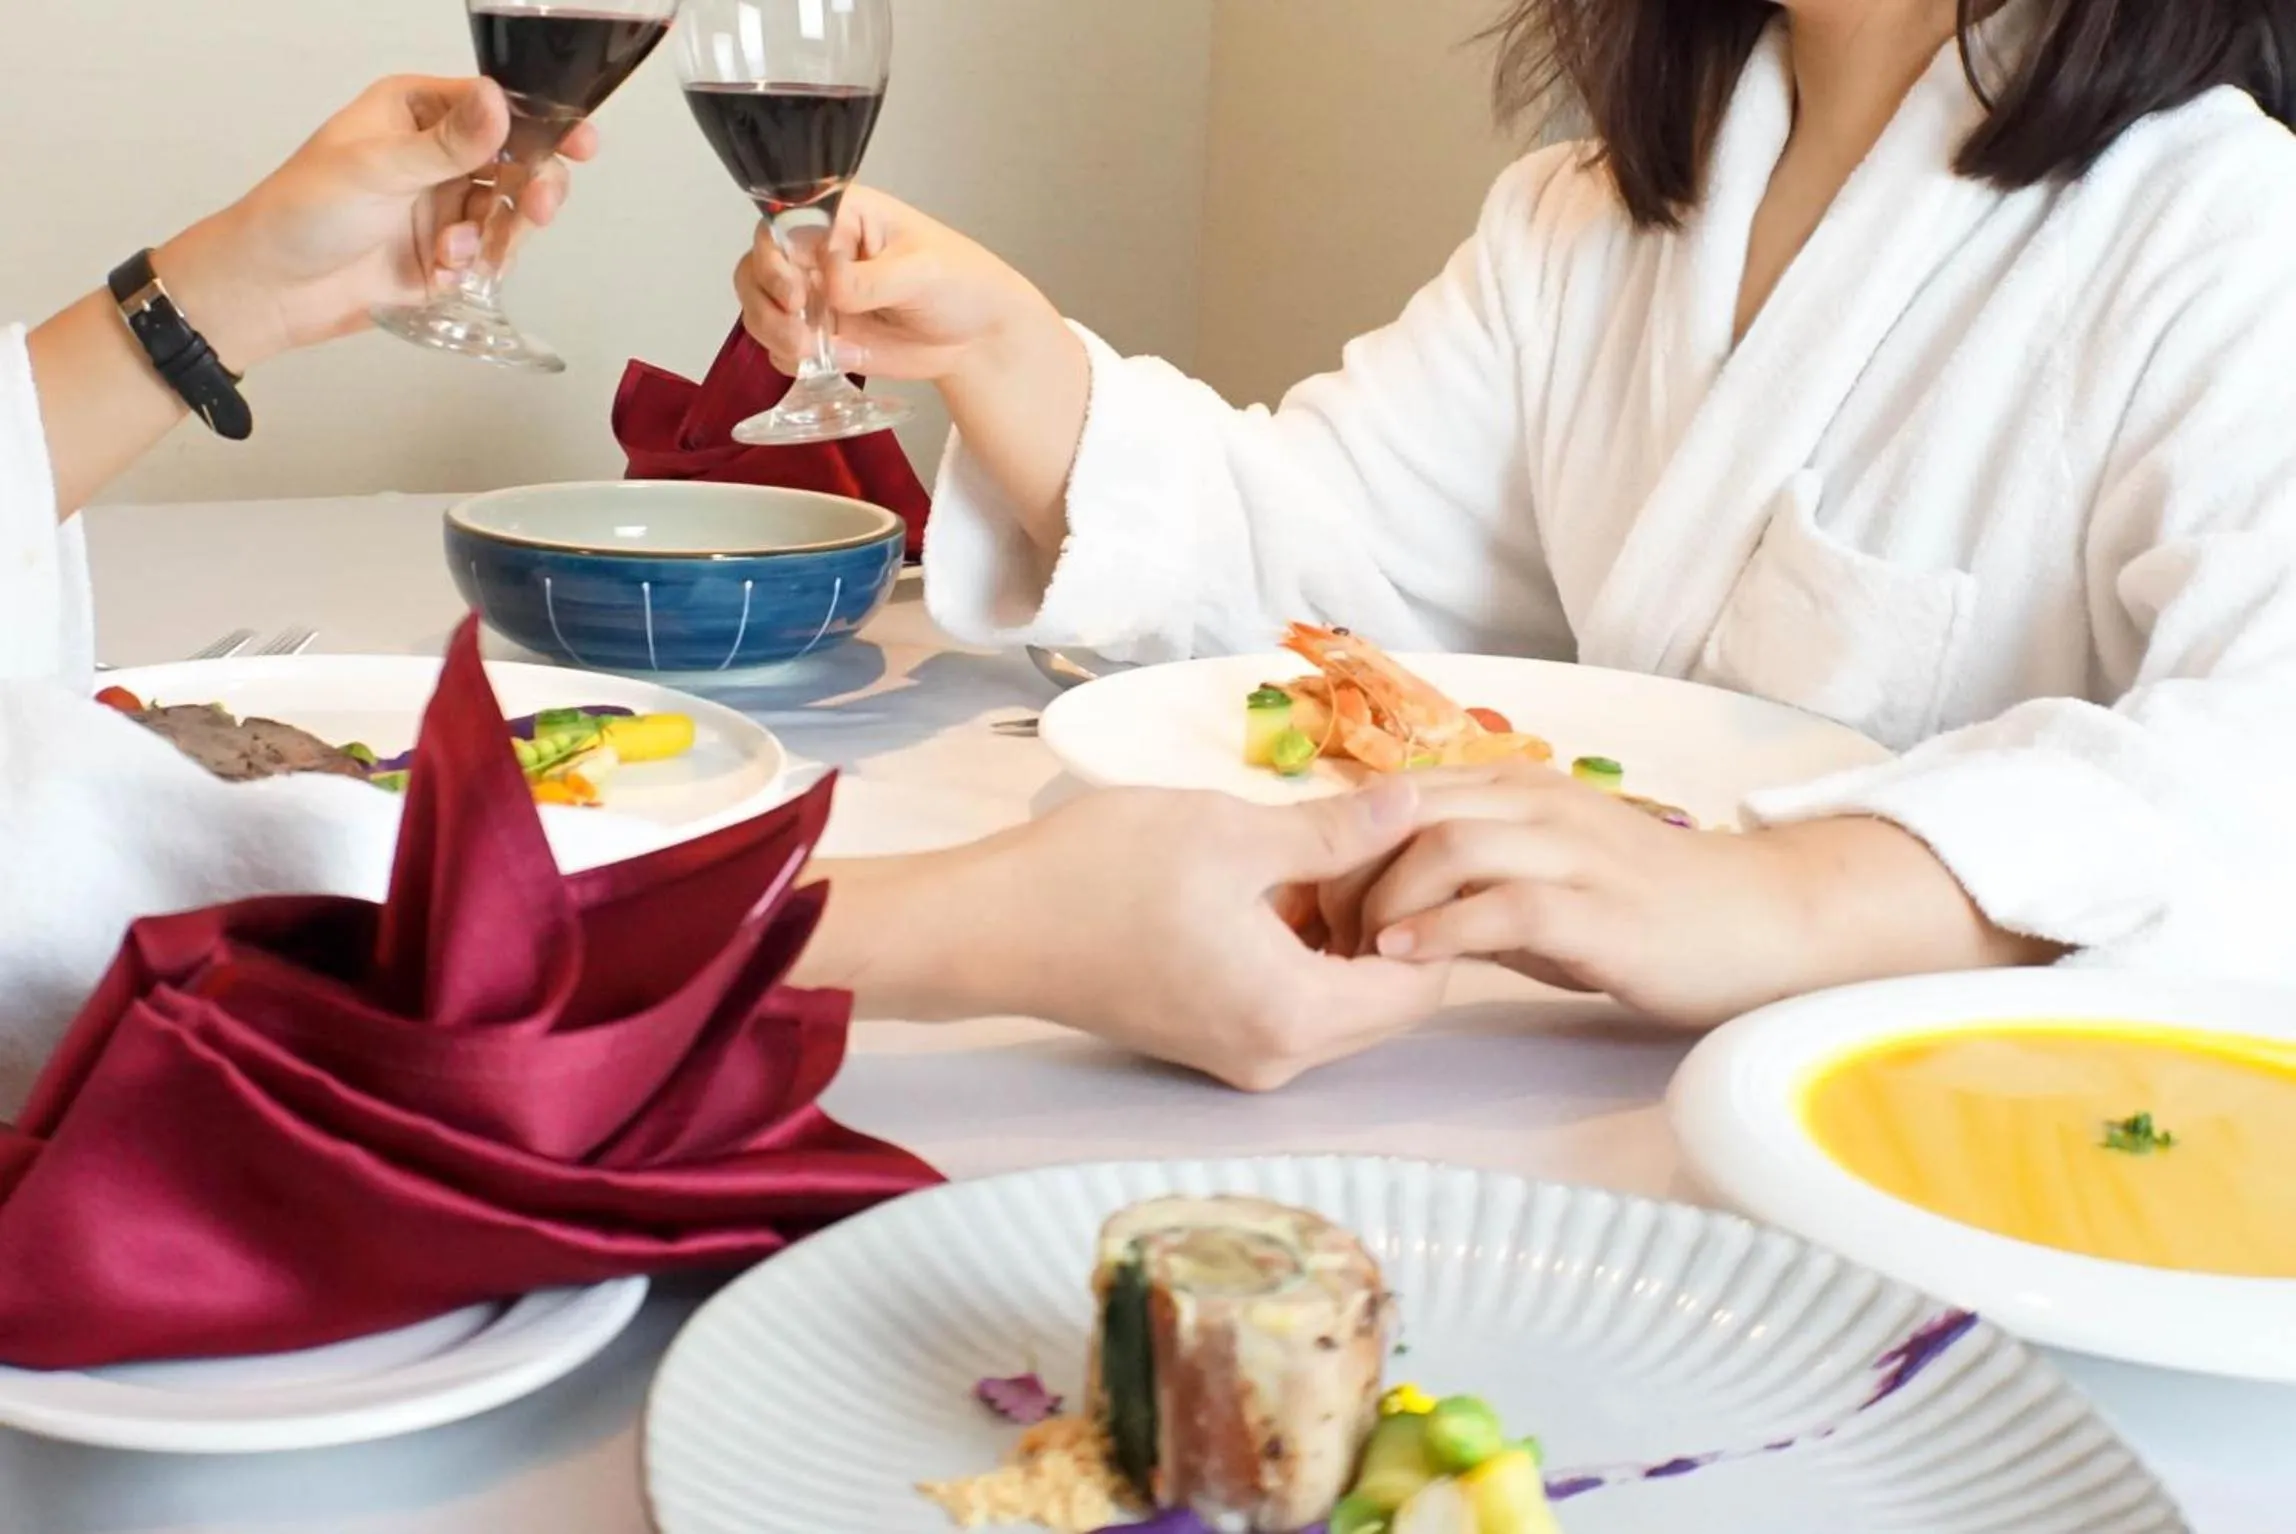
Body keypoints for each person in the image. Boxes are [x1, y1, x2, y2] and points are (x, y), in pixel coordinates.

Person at [737, 0, 2296, 1025]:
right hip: (1519, 1064)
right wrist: (1006, 352)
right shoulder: (1592, 212)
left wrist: (1776, 892)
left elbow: (2260, 760)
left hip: (1948, 1153)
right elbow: (1321, 584)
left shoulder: (2221, 230)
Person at [0, 75, 1450, 1118]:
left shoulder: (1578, 200)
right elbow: (88, 898)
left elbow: (1348, 607)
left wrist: (215, 294)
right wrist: (958, 926)